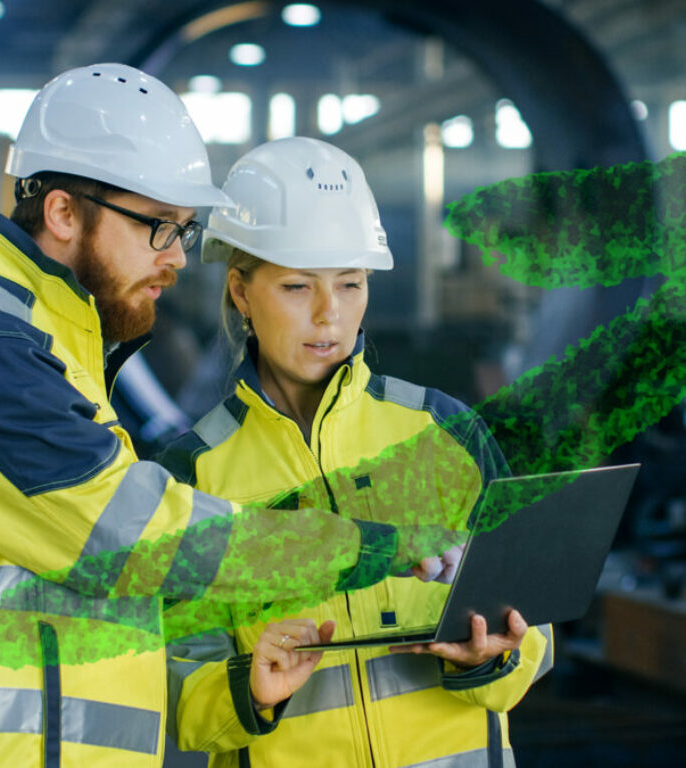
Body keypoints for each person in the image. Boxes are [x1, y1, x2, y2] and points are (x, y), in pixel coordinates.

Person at [0, 64, 445, 768]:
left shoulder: (61, 353)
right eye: (159, 228)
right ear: (65, 213)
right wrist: (361, 546)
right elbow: (140, 541)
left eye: (185, 234)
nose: (174, 260)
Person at [156, 137, 553, 768]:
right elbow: (174, 690)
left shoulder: (444, 431)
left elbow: (536, 624)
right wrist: (251, 690)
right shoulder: (192, 475)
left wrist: (498, 655)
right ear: (240, 292)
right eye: (295, 287)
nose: (329, 315)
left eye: (350, 283)